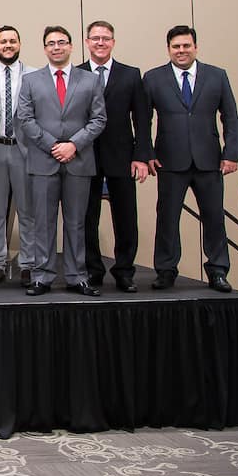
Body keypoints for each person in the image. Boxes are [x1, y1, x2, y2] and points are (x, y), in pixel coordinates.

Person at [143, 25, 238, 293]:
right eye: (176, 46)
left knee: (214, 217)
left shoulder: (217, 76)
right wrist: (147, 153)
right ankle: (165, 270)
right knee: (167, 218)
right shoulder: (153, 78)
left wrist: (231, 153)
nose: (181, 51)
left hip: (209, 160)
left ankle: (218, 270)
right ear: (168, 49)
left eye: (186, 46)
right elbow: (142, 120)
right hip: (169, 161)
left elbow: (230, 116)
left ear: (195, 47)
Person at [17, 26, 107, 297]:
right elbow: (25, 118)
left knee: (77, 222)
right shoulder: (32, 80)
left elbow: (98, 119)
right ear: (45, 49)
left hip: (78, 161)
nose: (56, 47)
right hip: (44, 160)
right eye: (51, 43)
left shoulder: (89, 80)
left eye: (61, 42)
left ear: (71, 46)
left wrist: (73, 145)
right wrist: (52, 145)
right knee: (43, 221)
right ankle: (41, 276)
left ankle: (77, 275)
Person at [79, 21, 151, 293]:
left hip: (122, 156)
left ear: (113, 42)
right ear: (87, 42)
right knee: (87, 217)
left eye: (105, 38)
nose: (100, 42)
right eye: (95, 38)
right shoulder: (77, 73)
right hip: (86, 156)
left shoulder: (131, 75)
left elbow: (142, 119)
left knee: (125, 217)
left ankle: (124, 271)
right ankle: (93, 269)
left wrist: (142, 156)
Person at [0, 26, 36, 286]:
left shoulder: (34, 75)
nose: (8, 45)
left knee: (27, 210)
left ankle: (28, 264)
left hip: (24, 149)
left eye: (13, 41)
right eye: (3, 41)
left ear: (20, 43)